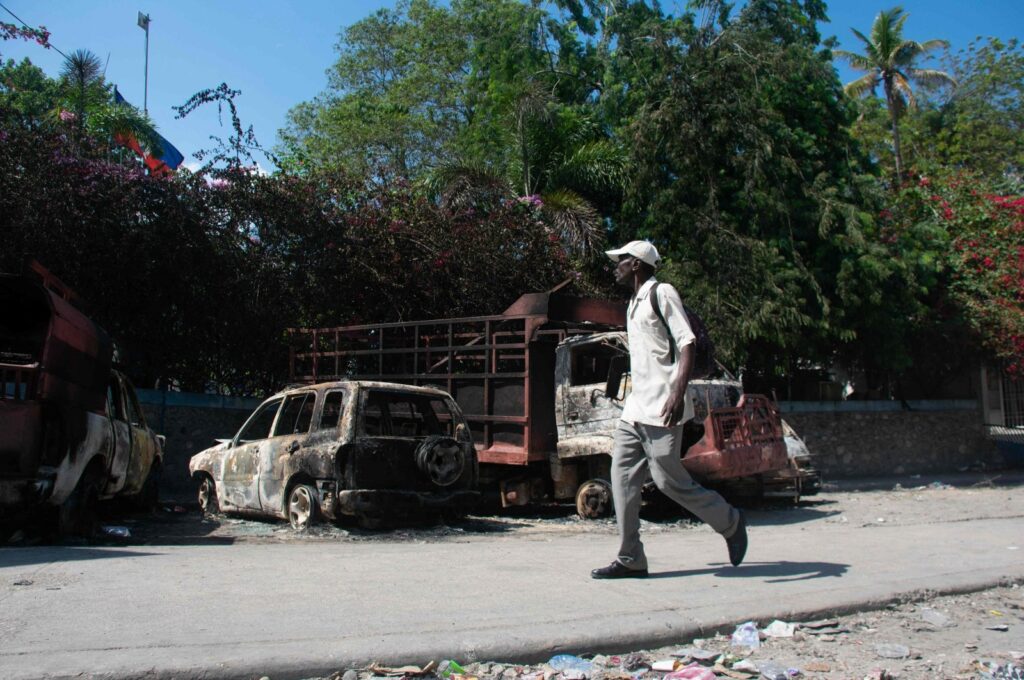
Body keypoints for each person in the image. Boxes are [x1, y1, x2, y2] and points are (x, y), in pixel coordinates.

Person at [591, 240, 747, 579]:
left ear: (637, 264)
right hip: (634, 409)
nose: (615, 265)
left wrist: (678, 394)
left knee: (668, 480)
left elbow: (686, 342)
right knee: (621, 477)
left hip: (663, 405)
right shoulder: (632, 303)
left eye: (621, 260)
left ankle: (730, 522)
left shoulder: (663, 293)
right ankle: (630, 556)